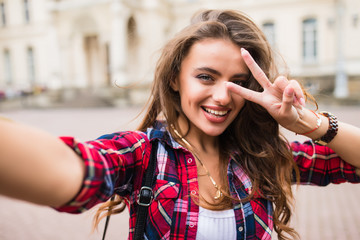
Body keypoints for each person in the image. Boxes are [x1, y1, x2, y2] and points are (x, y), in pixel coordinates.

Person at [0, 9, 359, 240]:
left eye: (237, 83)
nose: (223, 96)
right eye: (206, 77)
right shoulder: (142, 156)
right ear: (176, 79)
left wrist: (305, 122)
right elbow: (72, 170)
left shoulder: (262, 158)